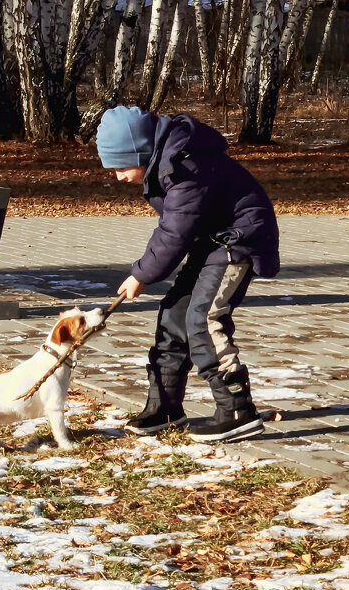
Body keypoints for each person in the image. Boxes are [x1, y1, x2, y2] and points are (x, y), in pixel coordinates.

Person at [95, 106, 280, 442]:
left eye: (121, 166)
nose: (119, 176)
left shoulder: (185, 166)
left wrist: (142, 274)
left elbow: (175, 232)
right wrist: (144, 270)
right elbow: (172, 228)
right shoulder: (168, 163)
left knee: (203, 320)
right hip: (211, 242)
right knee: (173, 316)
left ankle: (237, 410)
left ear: (141, 151)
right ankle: (165, 407)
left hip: (237, 242)